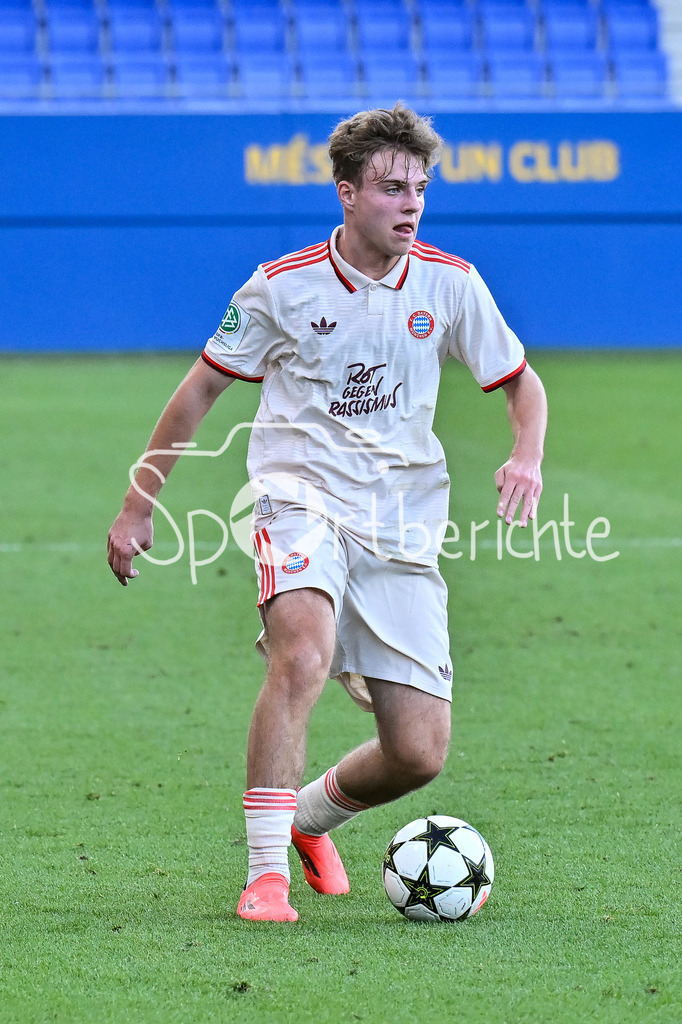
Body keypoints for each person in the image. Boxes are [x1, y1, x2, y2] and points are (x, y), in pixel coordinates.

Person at [108, 104, 547, 923]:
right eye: (392, 189)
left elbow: (522, 383)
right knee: (302, 654)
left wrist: (527, 453)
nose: (411, 205)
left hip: (402, 523)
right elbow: (199, 390)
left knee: (418, 753)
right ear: (347, 193)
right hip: (298, 499)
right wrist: (139, 503)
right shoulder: (281, 286)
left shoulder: (451, 282)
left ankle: (307, 819)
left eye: (420, 189)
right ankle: (264, 875)